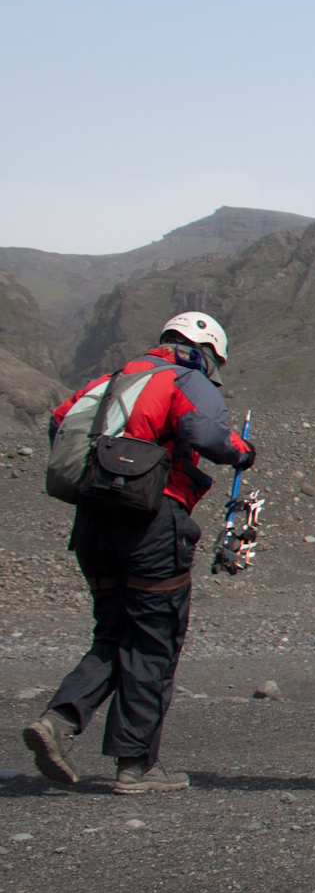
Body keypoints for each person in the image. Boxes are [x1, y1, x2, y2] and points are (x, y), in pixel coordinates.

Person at [25, 312, 252, 794]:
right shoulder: (185, 378)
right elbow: (207, 436)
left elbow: (59, 423)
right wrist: (242, 451)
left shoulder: (108, 380)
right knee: (153, 639)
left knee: (113, 633)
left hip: (92, 524)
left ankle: (59, 721)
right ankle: (135, 767)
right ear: (206, 349)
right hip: (151, 522)